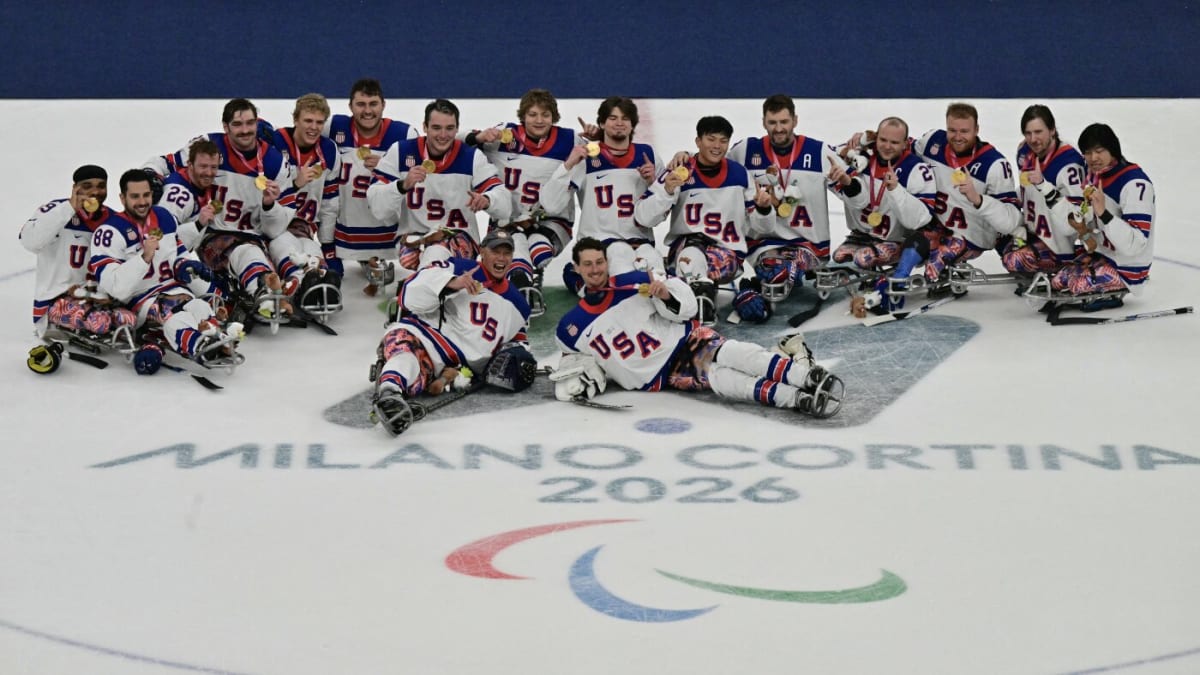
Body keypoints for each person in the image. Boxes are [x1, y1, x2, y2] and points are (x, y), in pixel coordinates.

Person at [552, 238, 843, 418]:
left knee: (736, 353)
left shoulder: (634, 281)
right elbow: (576, 367)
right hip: (659, 375)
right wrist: (577, 383)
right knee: (725, 381)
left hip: (685, 339)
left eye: (599, 262)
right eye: (587, 264)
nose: (595, 269)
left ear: (607, 261)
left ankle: (805, 375)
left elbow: (687, 308)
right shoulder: (569, 329)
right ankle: (796, 398)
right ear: (576, 268)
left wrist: (665, 294)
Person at [370, 229, 534, 435]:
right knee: (406, 352)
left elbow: (518, 340)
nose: (501, 258)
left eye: (506, 253)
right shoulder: (458, 267)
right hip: (427, 338)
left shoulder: (519, 304)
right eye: (495, 251)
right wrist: (450, 284)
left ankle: (405, 385)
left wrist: (518, 357)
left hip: (462, 368)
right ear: (482, 252)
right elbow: (409, 293)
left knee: (419, 375)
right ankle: (389, 393)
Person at [144, 98, 294, 318]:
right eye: (237, 124)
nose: (245, 130)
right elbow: (166, 163)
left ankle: (269, 285)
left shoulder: (275, 163)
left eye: (250, 123)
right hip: (211, 233)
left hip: (252, 235)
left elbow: (277, 228)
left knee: (264, 249)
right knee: (241, 252)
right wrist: (150, 175)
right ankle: (261, 293)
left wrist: (269, 205)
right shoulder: (209, 146)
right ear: (225, 126)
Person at [89, 170, 239, 373]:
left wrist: (185, 265)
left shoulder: (163, 216)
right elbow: (116, 288)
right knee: (174, 317)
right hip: (140, 301)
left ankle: (216, 336)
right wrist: (144, 258)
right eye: (135, 196)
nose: (142, 202)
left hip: (174, 290)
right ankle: (200, 345)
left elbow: (177, 254)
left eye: (146, 195)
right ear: (122, 198)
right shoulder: (109, 232)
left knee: (199, 306)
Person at [633, 115, 771, 323]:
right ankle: (700, 307)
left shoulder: (740, 175)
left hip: (727, 255)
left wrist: (764, 209)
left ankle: (695, 295)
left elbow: (763, 228)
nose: (717, 146)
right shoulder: (680, 172)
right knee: (689, 255)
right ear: (698, 141)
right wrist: (667, 192)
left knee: (690, 261)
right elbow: (643, 217)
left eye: (723, 141)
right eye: (711, 139)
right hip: (686, 251)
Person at [725, 94, 848, 320]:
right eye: (772, 123)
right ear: (764, 122)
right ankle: (765, 282)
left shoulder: (819, 152)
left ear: (795, 120)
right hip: (763, 243)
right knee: (775, 266)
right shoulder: (745, 150)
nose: (778, 128)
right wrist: (685, 158)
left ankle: (753, 288)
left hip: (808, 244)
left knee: (786, 268)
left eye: (784, 122)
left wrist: (848, 182)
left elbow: (857, 194)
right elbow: (710, 162)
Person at [466, 88, 597, 300]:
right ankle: (521, 287)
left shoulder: (570, 140)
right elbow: (458, 144)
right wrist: (478, 136)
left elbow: (606, 155)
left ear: (553, 117)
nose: (539, 120)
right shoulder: (504, 134)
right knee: (514, 244)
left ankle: (520, 279)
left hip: (553, 220)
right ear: (523, 116)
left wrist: (599, 137)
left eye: (545, 115)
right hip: (508, 221)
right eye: (533, 114)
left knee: (540, 250)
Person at [366, 98, 510, 273]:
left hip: (460, 240)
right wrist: (402, 185)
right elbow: (377, 207)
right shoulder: (401, 152)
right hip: (413, 241)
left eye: (449, 128)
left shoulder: (472, 157)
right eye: (436, 128)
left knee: (435, 254)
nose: (443, 135)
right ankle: (427, 287)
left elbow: (504, 204)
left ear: (457, 128)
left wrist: (488, 199)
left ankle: (417, 290)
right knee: (423, 261)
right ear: (425, 127)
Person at [21, 165, 139, 372]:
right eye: (87, 186)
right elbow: (30, 241)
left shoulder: (112, 220)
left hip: (94, 296)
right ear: (75, 188)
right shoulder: (56, 210)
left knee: (129, 319)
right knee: (101, 322)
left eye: (101, 186)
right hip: (55, 300)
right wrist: (69, 208)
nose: (95, 192)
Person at [541, 96, 662, 292]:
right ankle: (593, 281)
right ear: (602, 123)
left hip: (641, 242)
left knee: (658, 276)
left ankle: (585, 282)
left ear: (633, 125)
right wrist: (568, 165)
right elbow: (551, 204)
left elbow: (661, 213)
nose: (619, 123)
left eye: (625, 119)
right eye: (613, 118)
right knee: (625, 277)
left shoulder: (647, 155)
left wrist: (654, 183)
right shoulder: (586, 156)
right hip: (599, 244)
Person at [897, 103, 1023, 290]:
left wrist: (978, 199)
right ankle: (897, 281)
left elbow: (1012, 220)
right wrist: (868, 140)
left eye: (964, 131)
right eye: (952, 130)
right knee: (911, 244)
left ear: (977, 130)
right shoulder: (932, 141)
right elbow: (900, 147)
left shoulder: (994, 164)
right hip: (938, 226)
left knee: (933, 266)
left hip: (972, 236)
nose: (957, 137)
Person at [325, 78, 417, 294]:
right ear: (350, 106)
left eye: (373, 104)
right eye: (361, 104)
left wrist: (388, 166)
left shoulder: (403, 135)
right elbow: (301, 133)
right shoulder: (332, 127)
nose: (367, 111)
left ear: (383, 104)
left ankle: (372, 255)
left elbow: (420, 181)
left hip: (387, 232)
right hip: (343, 233)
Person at [1050, 123, 1154, 309]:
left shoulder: (1134, 183)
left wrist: (1104, 214)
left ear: (1112, 150)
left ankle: (1113, 294)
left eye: (1099, 151)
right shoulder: (1094, 176)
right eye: (1088, 152)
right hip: (1103, 255)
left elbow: (1136, 244)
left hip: (1128, 265)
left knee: (1076, 284)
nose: (1093, 158)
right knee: (1058, 281)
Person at [271, 93, 344, 319]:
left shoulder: (329, 151)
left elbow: (330, 204)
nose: (314, 127)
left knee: (308, 247)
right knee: (284, 242)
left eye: (319, 122)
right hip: (271, 220)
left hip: (303, 224)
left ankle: (319, 277)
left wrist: (328, 245)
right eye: (308, 121)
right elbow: (260, 190)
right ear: (295, 120)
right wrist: (295, 184)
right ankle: (298, 279)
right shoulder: (275, 143)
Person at [830, 116, 936, 271]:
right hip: (861, 236)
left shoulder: (916, 169)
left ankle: (899, 264)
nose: (887, 146)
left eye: (894, 142)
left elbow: (921, 220)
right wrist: (852, 147)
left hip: (894, 241)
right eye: (883, 140)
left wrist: (895, 189)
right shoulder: (860, 157)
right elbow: (829, 154)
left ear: (905, 144)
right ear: (875, 137)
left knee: (862, 258)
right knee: (839, 256)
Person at [1004, 105, 1086, 275]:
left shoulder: (1068, 164)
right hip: (1033, 231)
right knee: (994, 225)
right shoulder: (1024, 151)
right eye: (1028, 133)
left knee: (1014, 260)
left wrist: (1045, 186)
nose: (1033, 139)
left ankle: (1073, 262)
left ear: (1052, 130)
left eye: (1038, 132)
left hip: (1058, 246)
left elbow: (1078, 220)